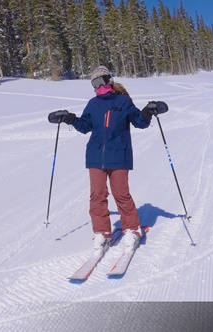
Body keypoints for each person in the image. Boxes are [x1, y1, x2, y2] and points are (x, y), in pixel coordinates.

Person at [48, 65, 159, 256]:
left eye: (101, 81)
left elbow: (140, 122)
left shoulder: (123, 101)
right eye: (94, 83)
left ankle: (132, 230)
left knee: (121, 194)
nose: (97, 86)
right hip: (95, 156)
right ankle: (102, 233)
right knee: (97, 196)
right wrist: (69, 118)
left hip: (119, 155)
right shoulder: (93, 104)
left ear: (109, 80)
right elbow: (85, 126)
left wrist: (148, 111)